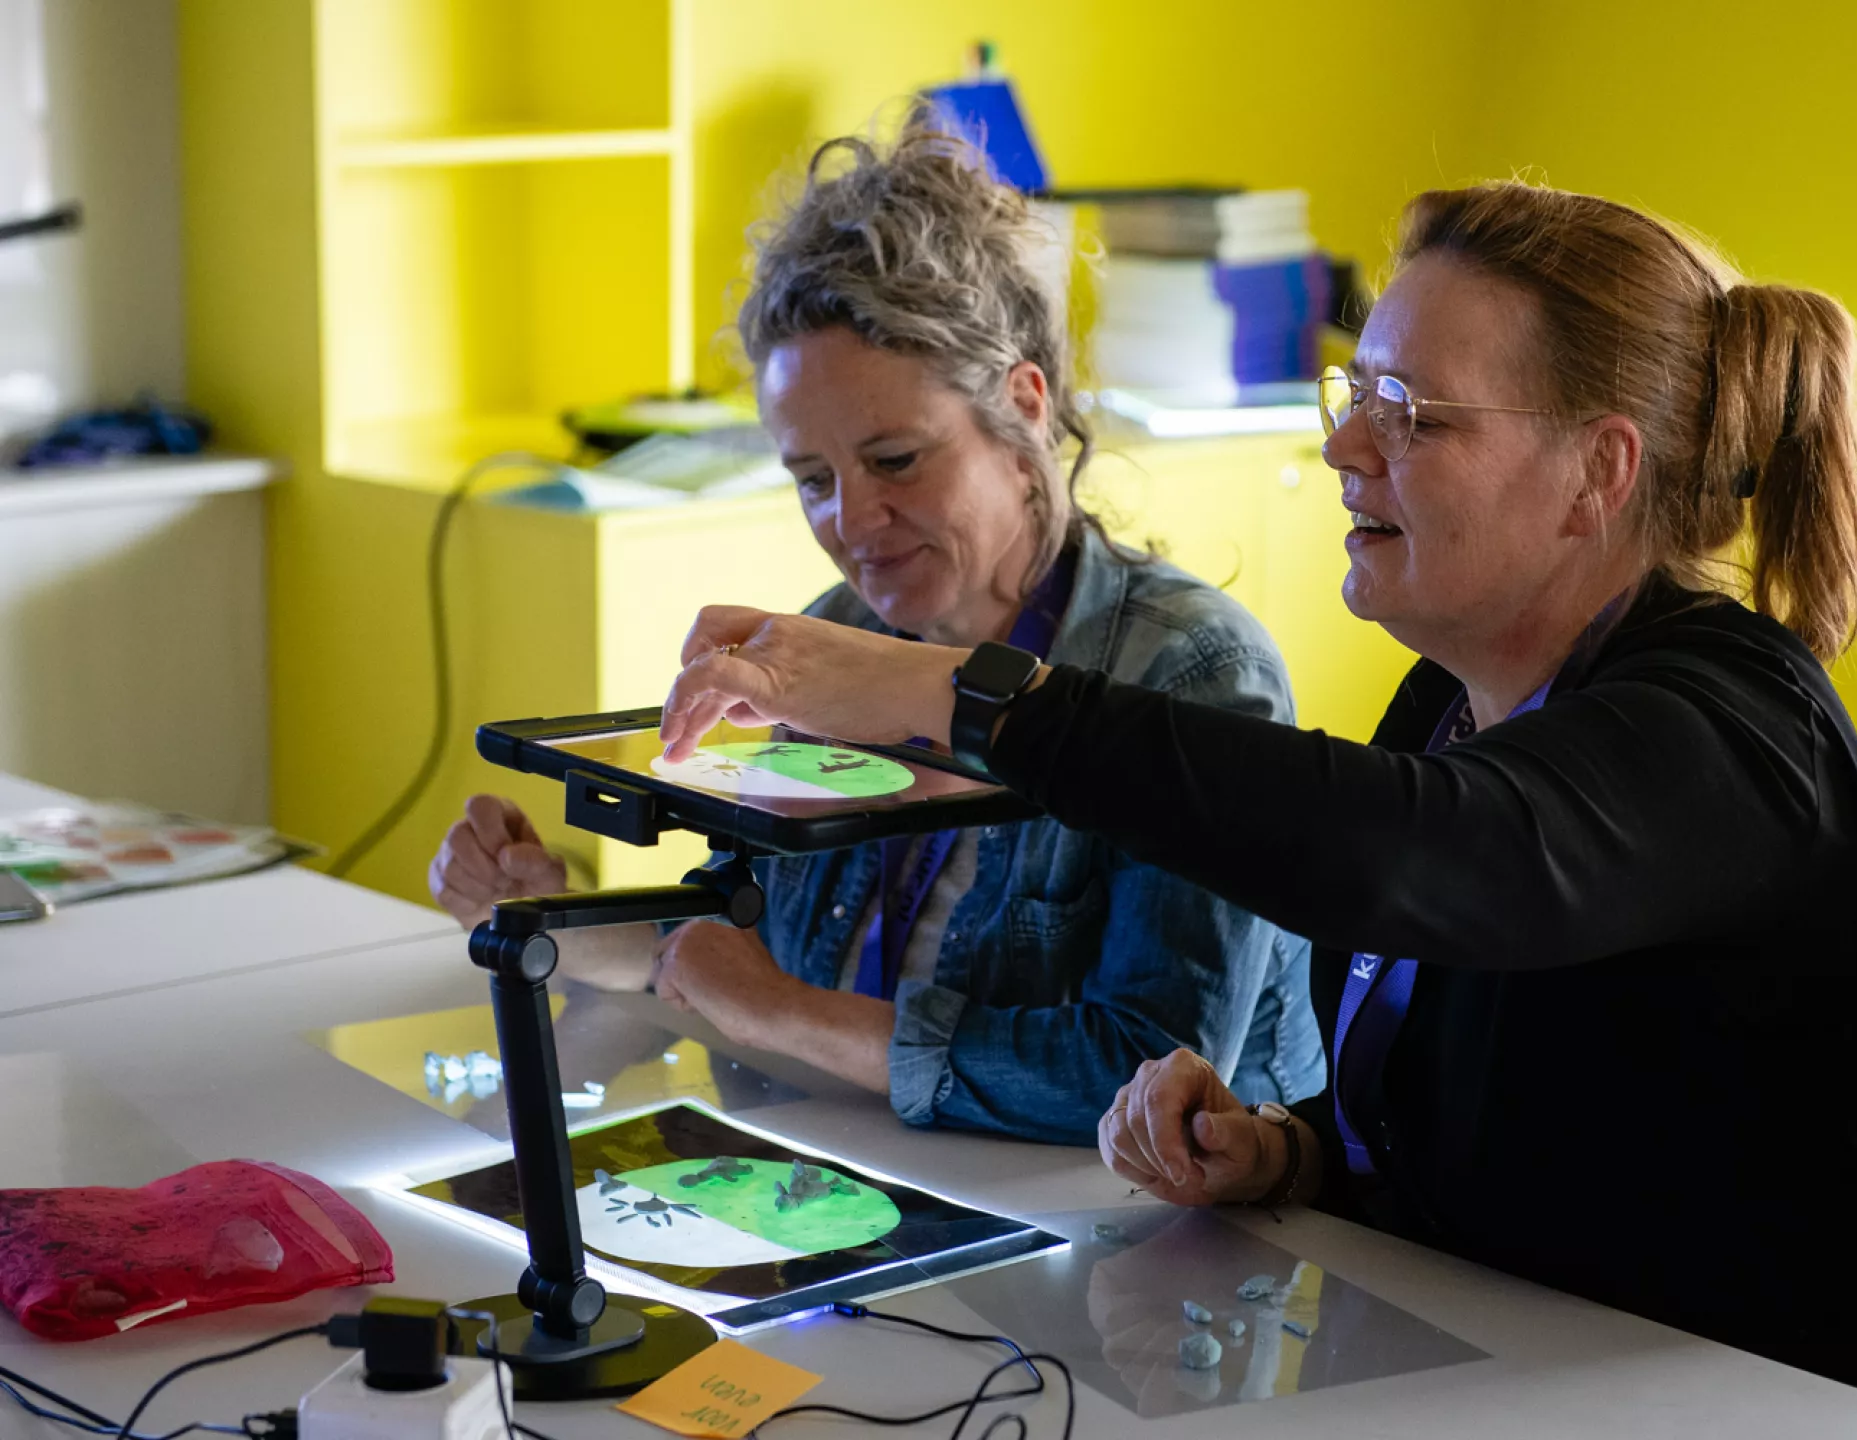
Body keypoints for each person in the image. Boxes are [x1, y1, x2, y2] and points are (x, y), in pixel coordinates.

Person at [653, 181, 1857, 1403]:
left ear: (1599, 473)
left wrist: (964, 696)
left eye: (1413, 412)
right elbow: (1532, 1136)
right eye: (1356, 392)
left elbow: (1424, 860)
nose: (1343, 444)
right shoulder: (1453, 703)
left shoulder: (1727, 731)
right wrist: (1294, 1151)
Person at [429, 120, 1323, 1146]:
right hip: (861, 1169)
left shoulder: (1192, 672)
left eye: (896, 460)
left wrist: (784, 1014)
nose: (851, 525)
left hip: (1144, 1238)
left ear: (1024, 410)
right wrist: (554, 916)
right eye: (813, 480)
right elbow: (739, 932)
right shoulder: (839, 634)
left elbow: (1151, 1074)